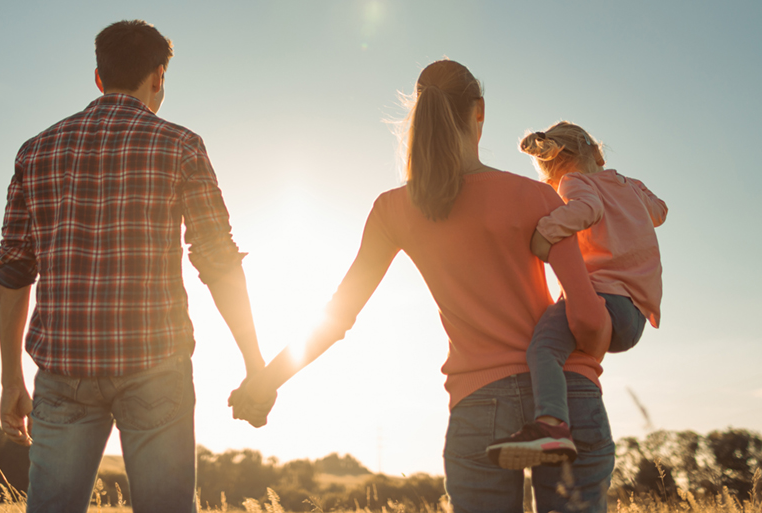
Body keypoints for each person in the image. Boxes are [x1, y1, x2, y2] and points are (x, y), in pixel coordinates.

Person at [229, 60, 616, 513]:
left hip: (478, 405)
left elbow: (336, 317)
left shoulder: (394, 210)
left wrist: (266, 383)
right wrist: (603, 338)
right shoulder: (537, 197)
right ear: (479, 112)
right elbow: (587, 318)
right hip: (567, 400)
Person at [0, 20, 264, 513]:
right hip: (155, 367)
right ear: (158, 77)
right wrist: (254, 364)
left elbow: (14, 271)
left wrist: (11, 377)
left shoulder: (35, 152)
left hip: (61, 371)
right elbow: (217, 261)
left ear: (98, 78)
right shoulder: (180, 145)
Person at [484, 123, 667, 470]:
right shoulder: (634, 188)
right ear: (598, 154)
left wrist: (544, 234)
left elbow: (587, 210)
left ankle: (551, 425)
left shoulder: (575, 183)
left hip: (602, 299)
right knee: (566, 351)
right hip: (637, 315)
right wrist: (635, 198)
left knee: (543, 348)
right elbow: (660, 212)